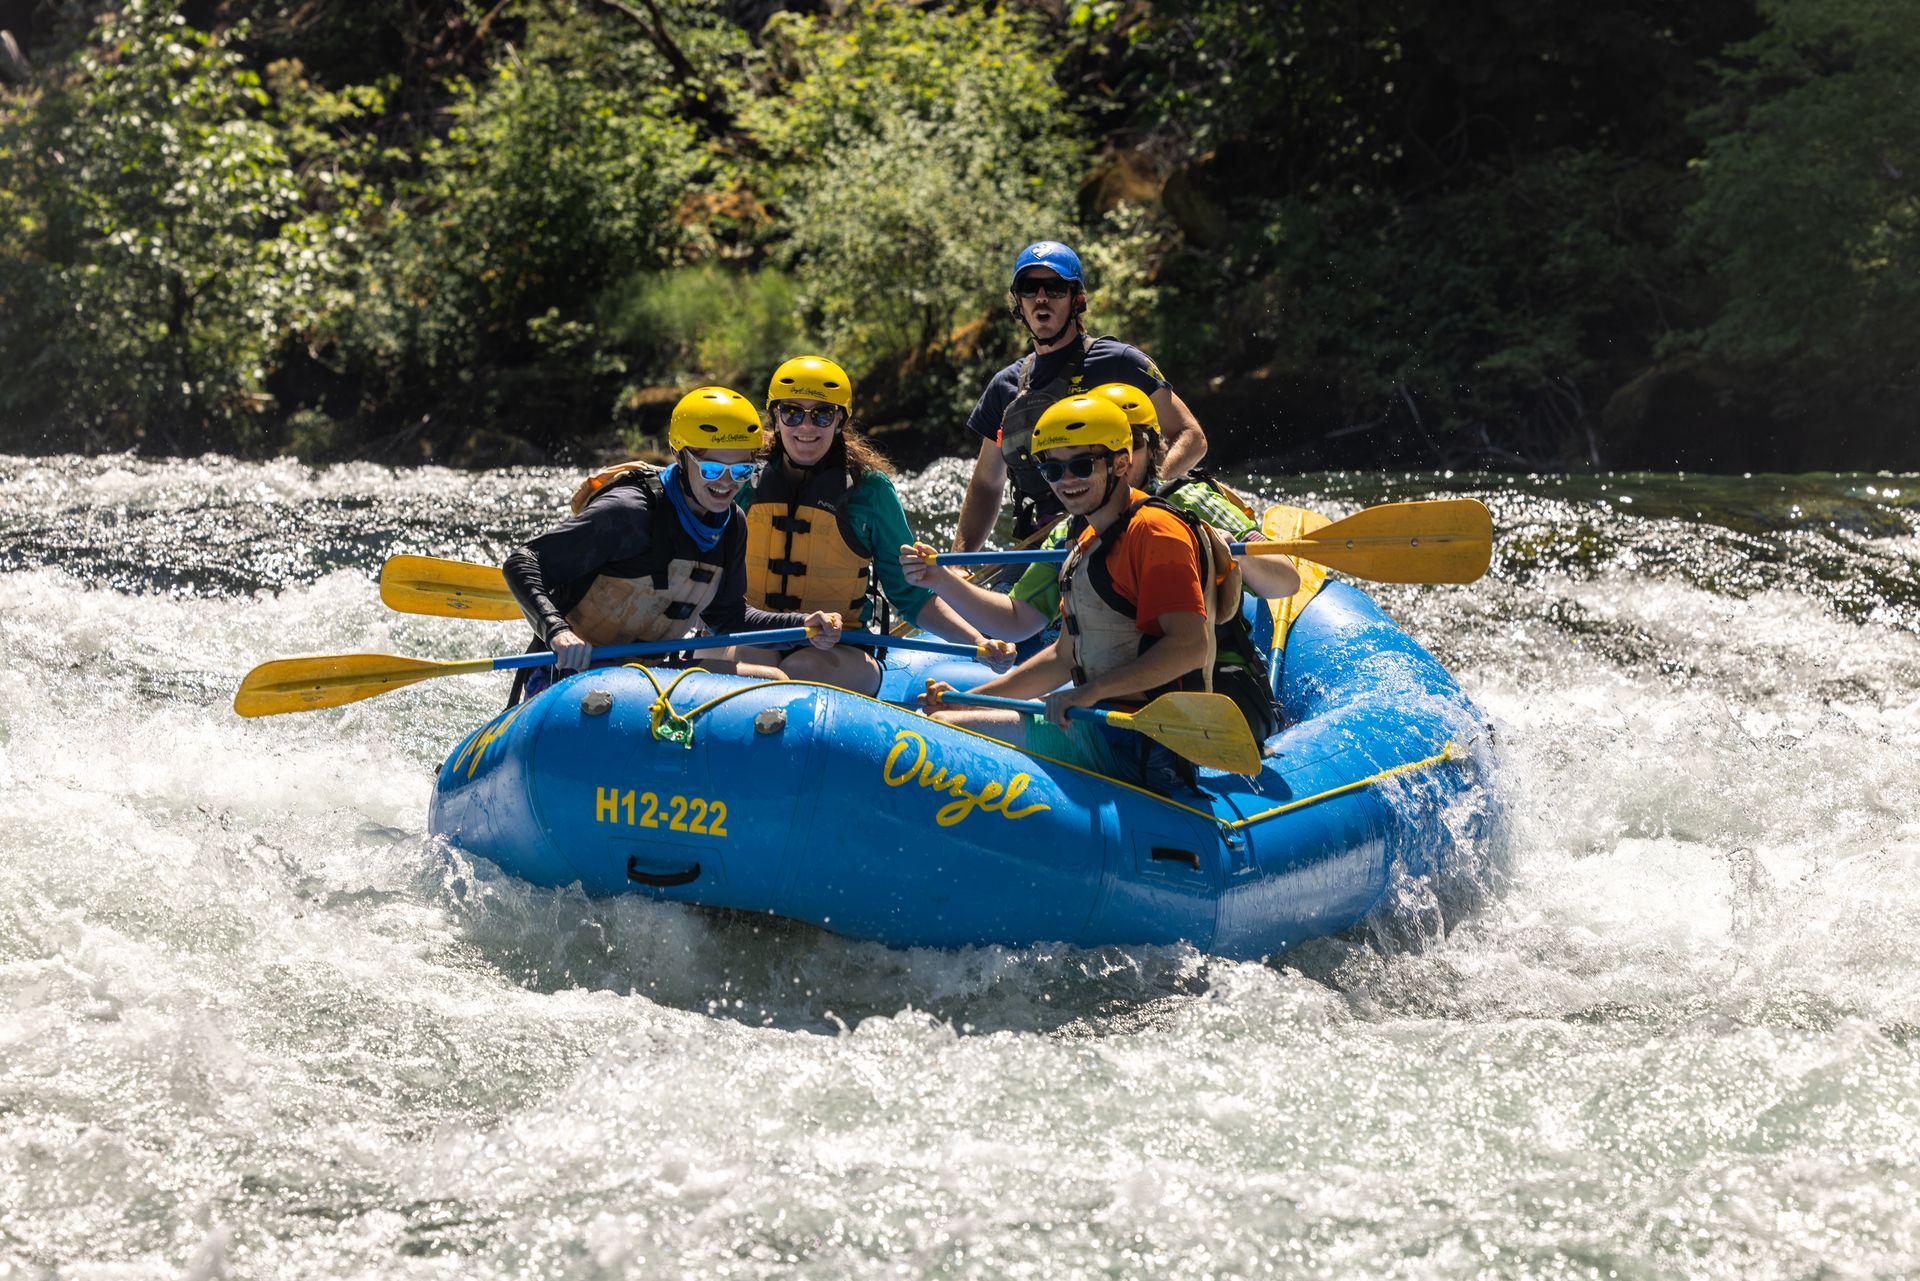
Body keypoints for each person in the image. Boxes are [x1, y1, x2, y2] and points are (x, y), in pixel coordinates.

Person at [923, 394, 1245, 792]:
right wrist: (972, 699)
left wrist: (1092, 691)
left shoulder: (1156, 532)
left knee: (943, 731)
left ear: (1121, 463)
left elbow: (1189, 647)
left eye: (1080, 465)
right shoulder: (1088, 540)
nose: (1066, 482)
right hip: (1101, 723)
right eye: (1052, 470)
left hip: (1142, 743)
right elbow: (1064, 656)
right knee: (945, 717)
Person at [501, 386, 844, 703]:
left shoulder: (731, 525)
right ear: (681, 457)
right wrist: (557, 631)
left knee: (772, 681)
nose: (726, 484)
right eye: (712, 470)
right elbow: (524, 561)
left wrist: (804, 627)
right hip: (567, 675)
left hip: (649, 679)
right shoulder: (629, 513)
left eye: (740, 471)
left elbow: (728, 619)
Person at [902, 381, 1299, 642]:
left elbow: (1285, 582)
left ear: (1148, 449)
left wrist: (1227, 551)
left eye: (1129, 446)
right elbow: (1018, 620)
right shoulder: (1072, 531)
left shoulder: (1191, 502)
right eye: (1095, 451)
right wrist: (941, 579)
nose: (1117, 459)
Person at [728, 355, 1009, 696]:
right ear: (775, 417)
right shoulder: (742, 479)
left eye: (822, 414)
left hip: (839, 648)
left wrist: (978, 642)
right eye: (792, 413)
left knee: (798, 669)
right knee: (753, 658)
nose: (806, 427)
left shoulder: (870, 491)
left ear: (840, 420)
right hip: (757, 634)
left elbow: (911, 596)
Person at [951, 240, 1210, 551]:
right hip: (1047, 546)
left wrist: (1138, 497)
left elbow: (1192, 436)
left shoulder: (1121, 363)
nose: (1042, 298)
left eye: (1056, 287)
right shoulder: (1004, 387)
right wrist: (960, 563)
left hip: (1127, 533)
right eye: (1029, 288)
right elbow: (985, 486)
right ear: (1018, 302)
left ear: (1077, 300)